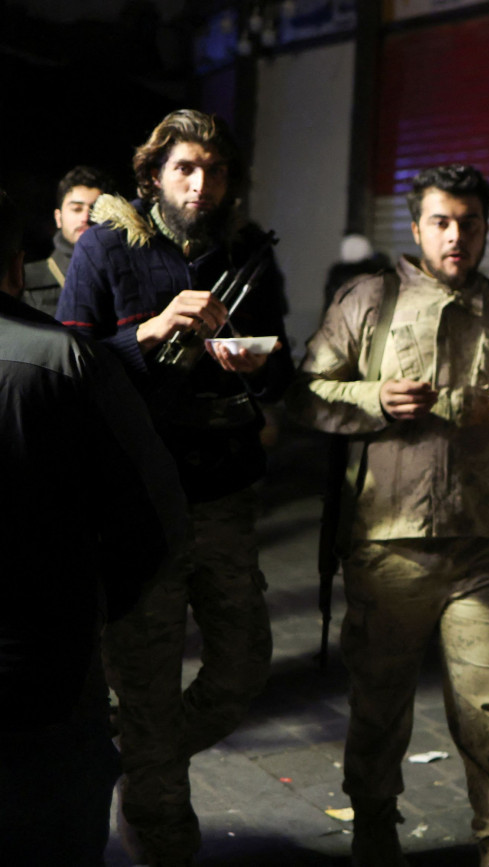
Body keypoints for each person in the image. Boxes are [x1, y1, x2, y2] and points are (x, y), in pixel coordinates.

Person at [287, 163, 489, 867]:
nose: (456, 235)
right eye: (441, 221)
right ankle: (375, 835)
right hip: (388, 542)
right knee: (378, 709)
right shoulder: (368, 301)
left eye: (470, 222)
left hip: (481, 543)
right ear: (415, 228)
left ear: (486, 228)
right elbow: (305, 393)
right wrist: (373, 398)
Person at [56, 108, 292, 866]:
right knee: (148, 686)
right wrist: (150, 332)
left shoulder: (248, 253)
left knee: (242, 668)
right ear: (153, 174)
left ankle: (138, 749)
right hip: (137, 506)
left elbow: (283, 373)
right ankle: (163, 839)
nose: (201, 184)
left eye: (215, 171)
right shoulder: (105, 247)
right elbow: (68, 370)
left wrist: (261, 365)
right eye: (186, 168)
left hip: (223, 496)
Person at [0, 189, 186, 865]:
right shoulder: (70, 361)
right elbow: (158, 518)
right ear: (17, 263)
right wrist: (95, 605)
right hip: (46, 672)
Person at [21, 165, 114, 317]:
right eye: (77, 209)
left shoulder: (125, 277)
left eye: (96, 210)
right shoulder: (26, 280)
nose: (85, 218)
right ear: (58, 218)